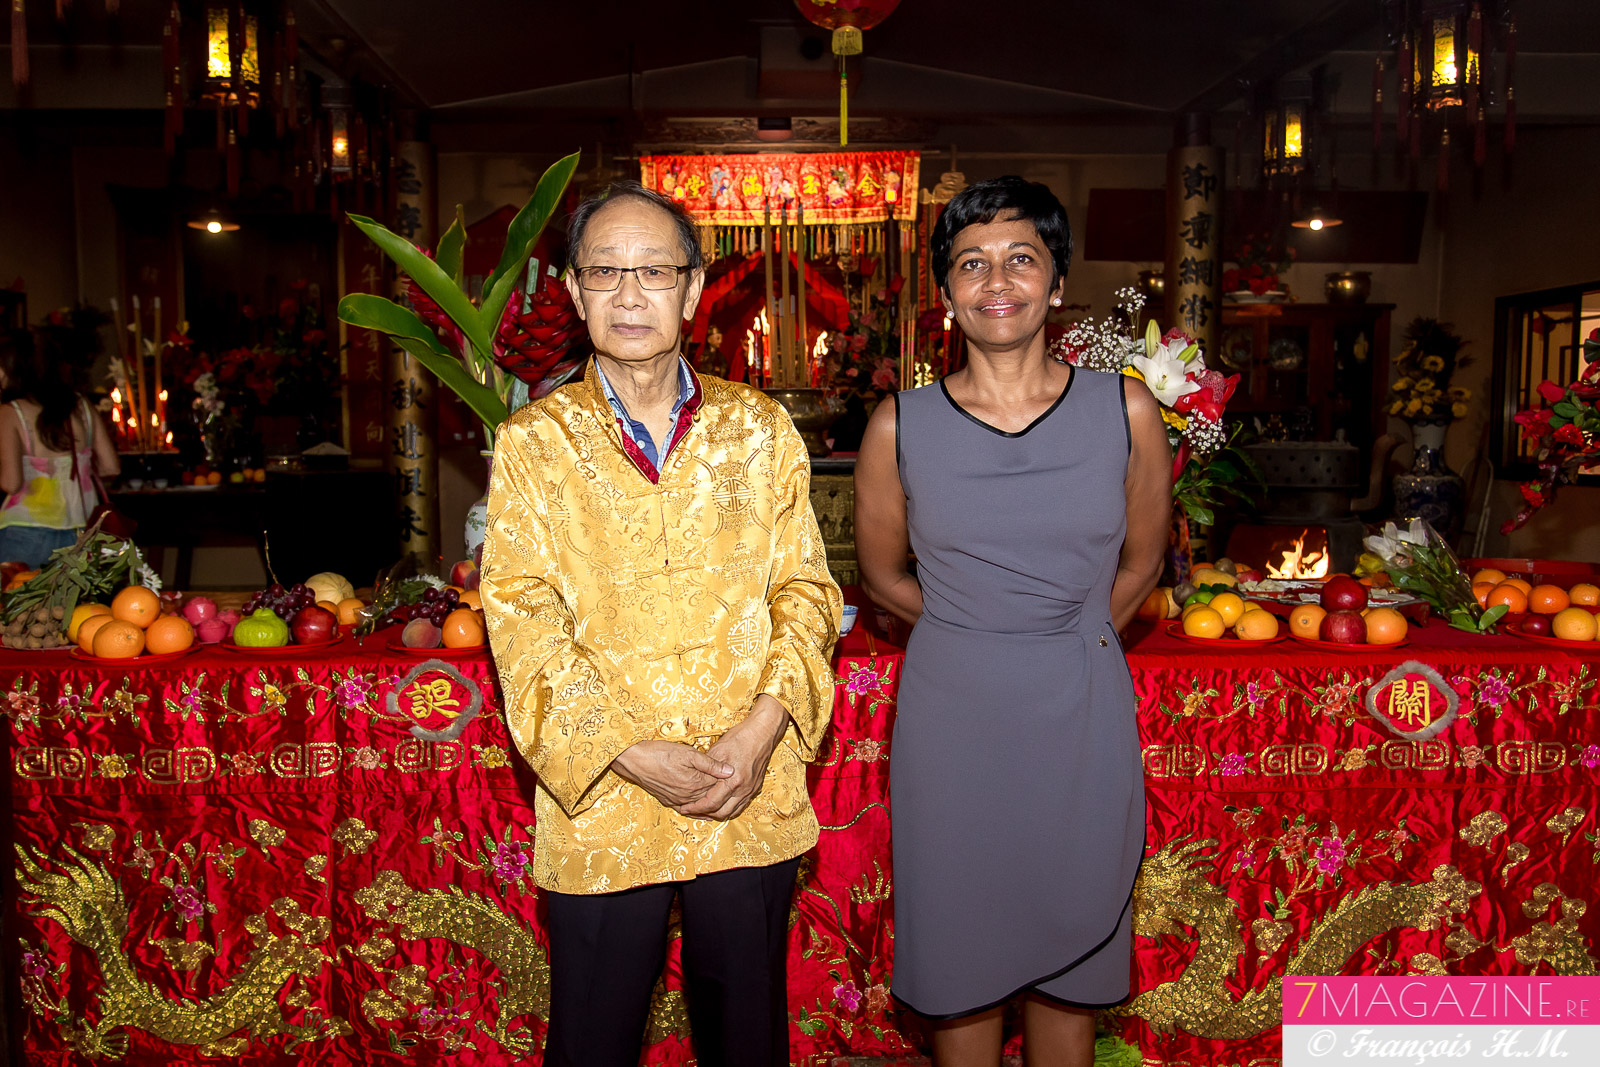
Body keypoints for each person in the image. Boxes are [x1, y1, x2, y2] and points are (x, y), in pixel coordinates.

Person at [479, 181, 842, 1067]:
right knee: (593, 1040)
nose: (630, 293)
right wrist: (631, 751)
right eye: (606, 272)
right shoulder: (536, 442)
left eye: (653, 271)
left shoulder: (758, 430)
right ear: (573, 291)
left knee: (746, 1038)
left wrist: (759, 735)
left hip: (741, 785)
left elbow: (808, 593)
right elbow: (522, 619)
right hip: (605, 789)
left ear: (692, 289)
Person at [853, 176, 1170, 1066]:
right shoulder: (899, 425)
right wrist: (973, 626)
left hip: (1081, 705)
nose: (998, 280)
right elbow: (881, 576)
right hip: (954, 714)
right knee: (963, 951)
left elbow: (1145, 561)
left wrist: (1064, 635)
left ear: (1057, 283)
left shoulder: (1127, 408)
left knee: (1075, 946)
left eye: (1022, 258)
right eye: (972, 263)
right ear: (948, 293)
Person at [0, 328, 120, 567]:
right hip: (81, 532)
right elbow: (111, 467)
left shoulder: (11, 412)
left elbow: (10, 483)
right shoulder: (81, 406)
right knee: (76, 605)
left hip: (25, 532)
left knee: (15, 603)